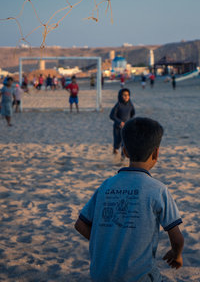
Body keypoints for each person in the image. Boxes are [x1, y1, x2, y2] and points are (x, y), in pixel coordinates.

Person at [74, 117, 184, 281]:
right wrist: (177, 255)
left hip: (99, 275)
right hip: (138, 277)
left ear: (124, 151)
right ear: (156, 152)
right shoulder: (158, 190)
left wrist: (108, 243)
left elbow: (80, 224)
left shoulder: (106, 185)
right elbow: (177, 239)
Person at [109, 88, 135, 159]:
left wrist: (130, 121)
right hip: (118, 127)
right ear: (120, 96)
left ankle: (122, 158)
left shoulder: (130, 104)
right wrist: (119, 122)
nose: (126, 97)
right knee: (117, 142)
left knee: (124, 143)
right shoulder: (118, 105)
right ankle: (115, 149)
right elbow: (111, 116)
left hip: (126, 127)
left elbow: (132, 113)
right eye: (124, 95)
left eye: (127, 95)